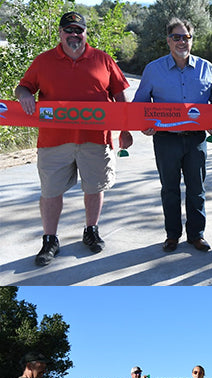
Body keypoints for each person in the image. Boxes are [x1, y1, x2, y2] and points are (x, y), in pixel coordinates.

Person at [15, 12, 133, 266]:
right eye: (69, 30)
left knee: (94, 187)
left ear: (85, 33)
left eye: (79, 30)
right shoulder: (44, 61)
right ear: (60, 33)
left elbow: (120, 96)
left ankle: (91, 231)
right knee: (50, 192)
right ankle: (50, 239)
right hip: (53, 141)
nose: (74, 35)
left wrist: (125, 129)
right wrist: (24, 94)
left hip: (95, 139)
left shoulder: (103, 60)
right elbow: (23, 86)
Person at [134, 18, 212, 253]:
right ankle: (172, 235)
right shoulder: (153, 69)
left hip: (196, 139)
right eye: (176, 37)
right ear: (168, 41)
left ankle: (196, 235)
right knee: (170, 189)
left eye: (186, 37)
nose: (181, 42)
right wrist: (145, 125)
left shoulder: (207, 67)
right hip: (166, 139)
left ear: (192, 40)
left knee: (197, 190)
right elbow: (140, 105)